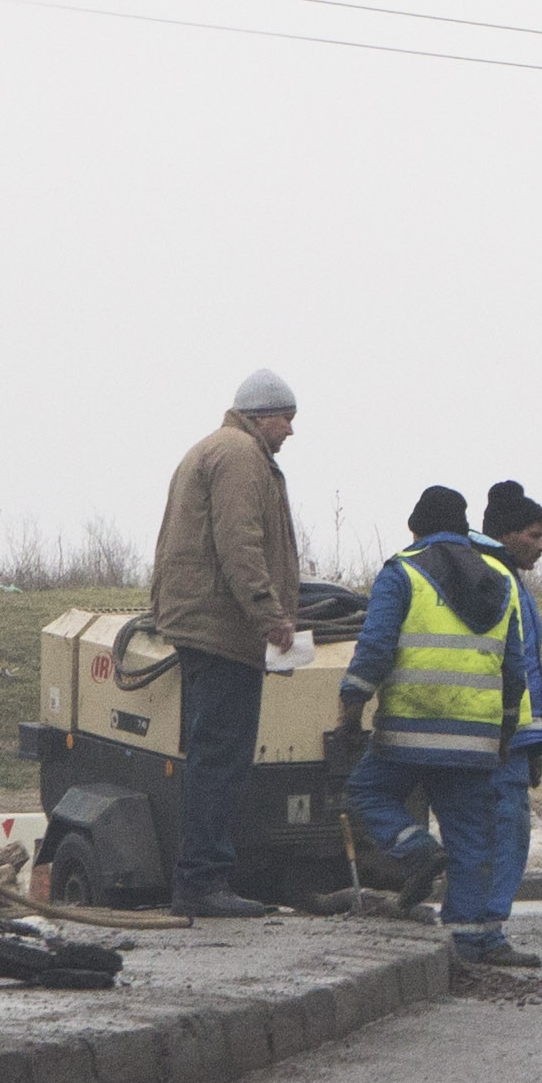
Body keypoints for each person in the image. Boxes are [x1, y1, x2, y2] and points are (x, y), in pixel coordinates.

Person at [339, 486, 526, 965]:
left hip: (408, 729)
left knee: (368, 792)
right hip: (476, 738)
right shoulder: (501, 580)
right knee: (472, 837)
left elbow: (375, 646)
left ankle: (418, 849)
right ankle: (474, 938)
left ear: (415, 528)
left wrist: (352, 705)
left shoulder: (402, 571)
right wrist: (506, 733)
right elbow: (514, 668)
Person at [146, 369, 304, 919]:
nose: (290, 430)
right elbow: (241, 542)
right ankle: (202, 883)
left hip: (205, 624)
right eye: (287, 417)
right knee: (221, 759)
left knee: (212, 756)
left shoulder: (218, 448)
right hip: (221, 629)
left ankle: (202, 877)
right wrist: (269, 614)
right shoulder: (239, 454)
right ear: (263, 414)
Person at [479, 482, 542, 933]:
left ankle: (482, 922)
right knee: (506, 832)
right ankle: (487, 926)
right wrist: (523, 735)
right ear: (507, 534)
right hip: (503, 735)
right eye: (533, 534)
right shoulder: (499, 580)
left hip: (509, 734)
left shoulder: (505, 578)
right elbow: (516, 665)